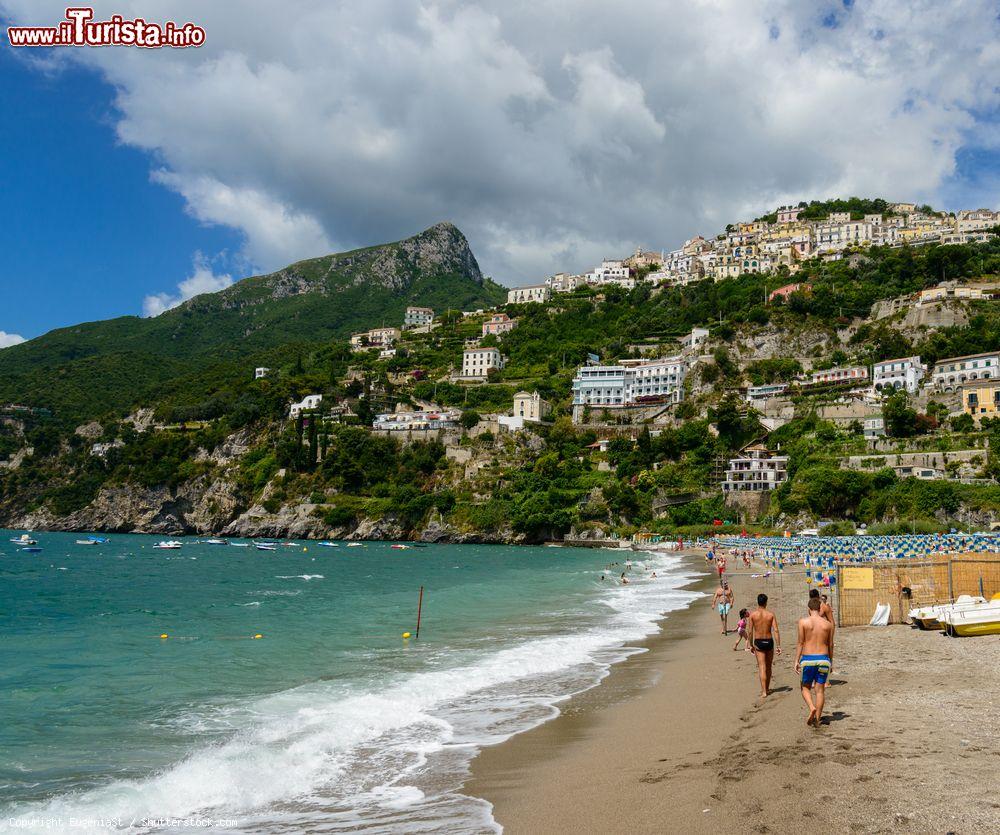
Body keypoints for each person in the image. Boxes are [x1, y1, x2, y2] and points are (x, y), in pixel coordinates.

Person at [795, 597, 835, 726]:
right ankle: (817, 719)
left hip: (808, 659)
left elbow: (800, 642)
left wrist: (796, 660)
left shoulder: (803, 622)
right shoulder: (828, 625)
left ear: (809, 609)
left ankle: (812, 707)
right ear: (820, 609)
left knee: (805, 687)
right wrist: (831, 662)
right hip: (824, 659)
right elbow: (830, 645)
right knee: (820, 690)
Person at [748, 593, 781, 698]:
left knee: (762, 666)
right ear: (766, 602)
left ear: (758, 602)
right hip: (769, 641)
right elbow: (775, 630)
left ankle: (764, 692)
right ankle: (767, 688)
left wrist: (750, 644)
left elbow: (749, 631)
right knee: (769, 666)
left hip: (758, 642)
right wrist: (779, 645)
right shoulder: (770, 614)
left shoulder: (753, 615)